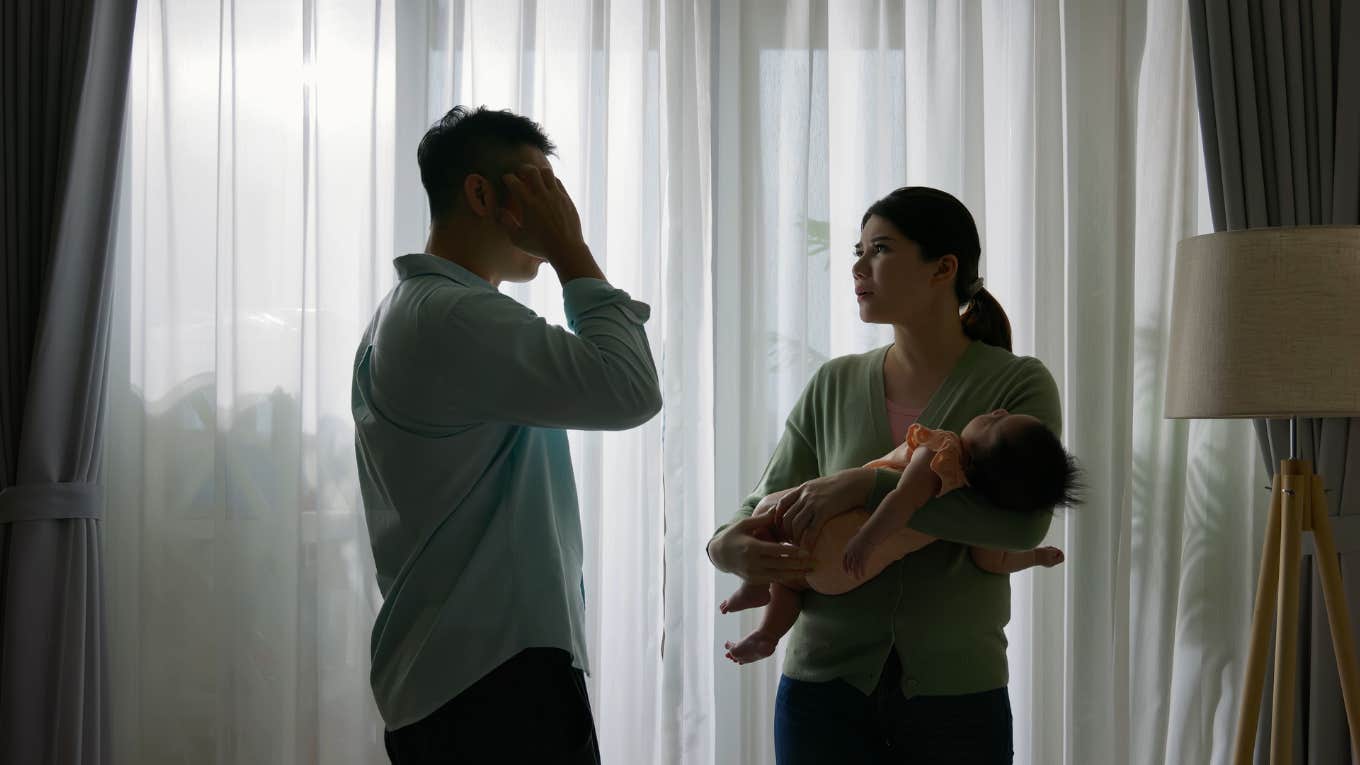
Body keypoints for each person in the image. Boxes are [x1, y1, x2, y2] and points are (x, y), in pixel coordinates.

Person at [707, 186, 1064, 764]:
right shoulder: (835, 382)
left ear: (943, 268)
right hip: (823, 690)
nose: (856, 267)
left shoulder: (1016, 385)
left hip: (957, 696)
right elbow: (759, 503)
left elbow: (1022, 527)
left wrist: (865, 485)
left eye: (879, 250)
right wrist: (726, 547)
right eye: (858, 250)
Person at [352, 106, 662, 764]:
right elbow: (630, 388)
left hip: (459, 673)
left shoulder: (411, 311)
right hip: (494, 679)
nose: (558, 207)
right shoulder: (450, 315)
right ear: (482, 193)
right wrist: (571, 251)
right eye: (540, 187)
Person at [719, 412, 1080, 665]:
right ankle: (767, 632)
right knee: (796, 580)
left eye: (996, 421)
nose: (998, 410)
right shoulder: (976, 510)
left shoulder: (943, 449)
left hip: (841, 532)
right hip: (839, 576)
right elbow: (992, 561)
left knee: (771, 512)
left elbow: (899, 499)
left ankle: (756, 584)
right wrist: (1035, 557)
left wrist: (866, 538)